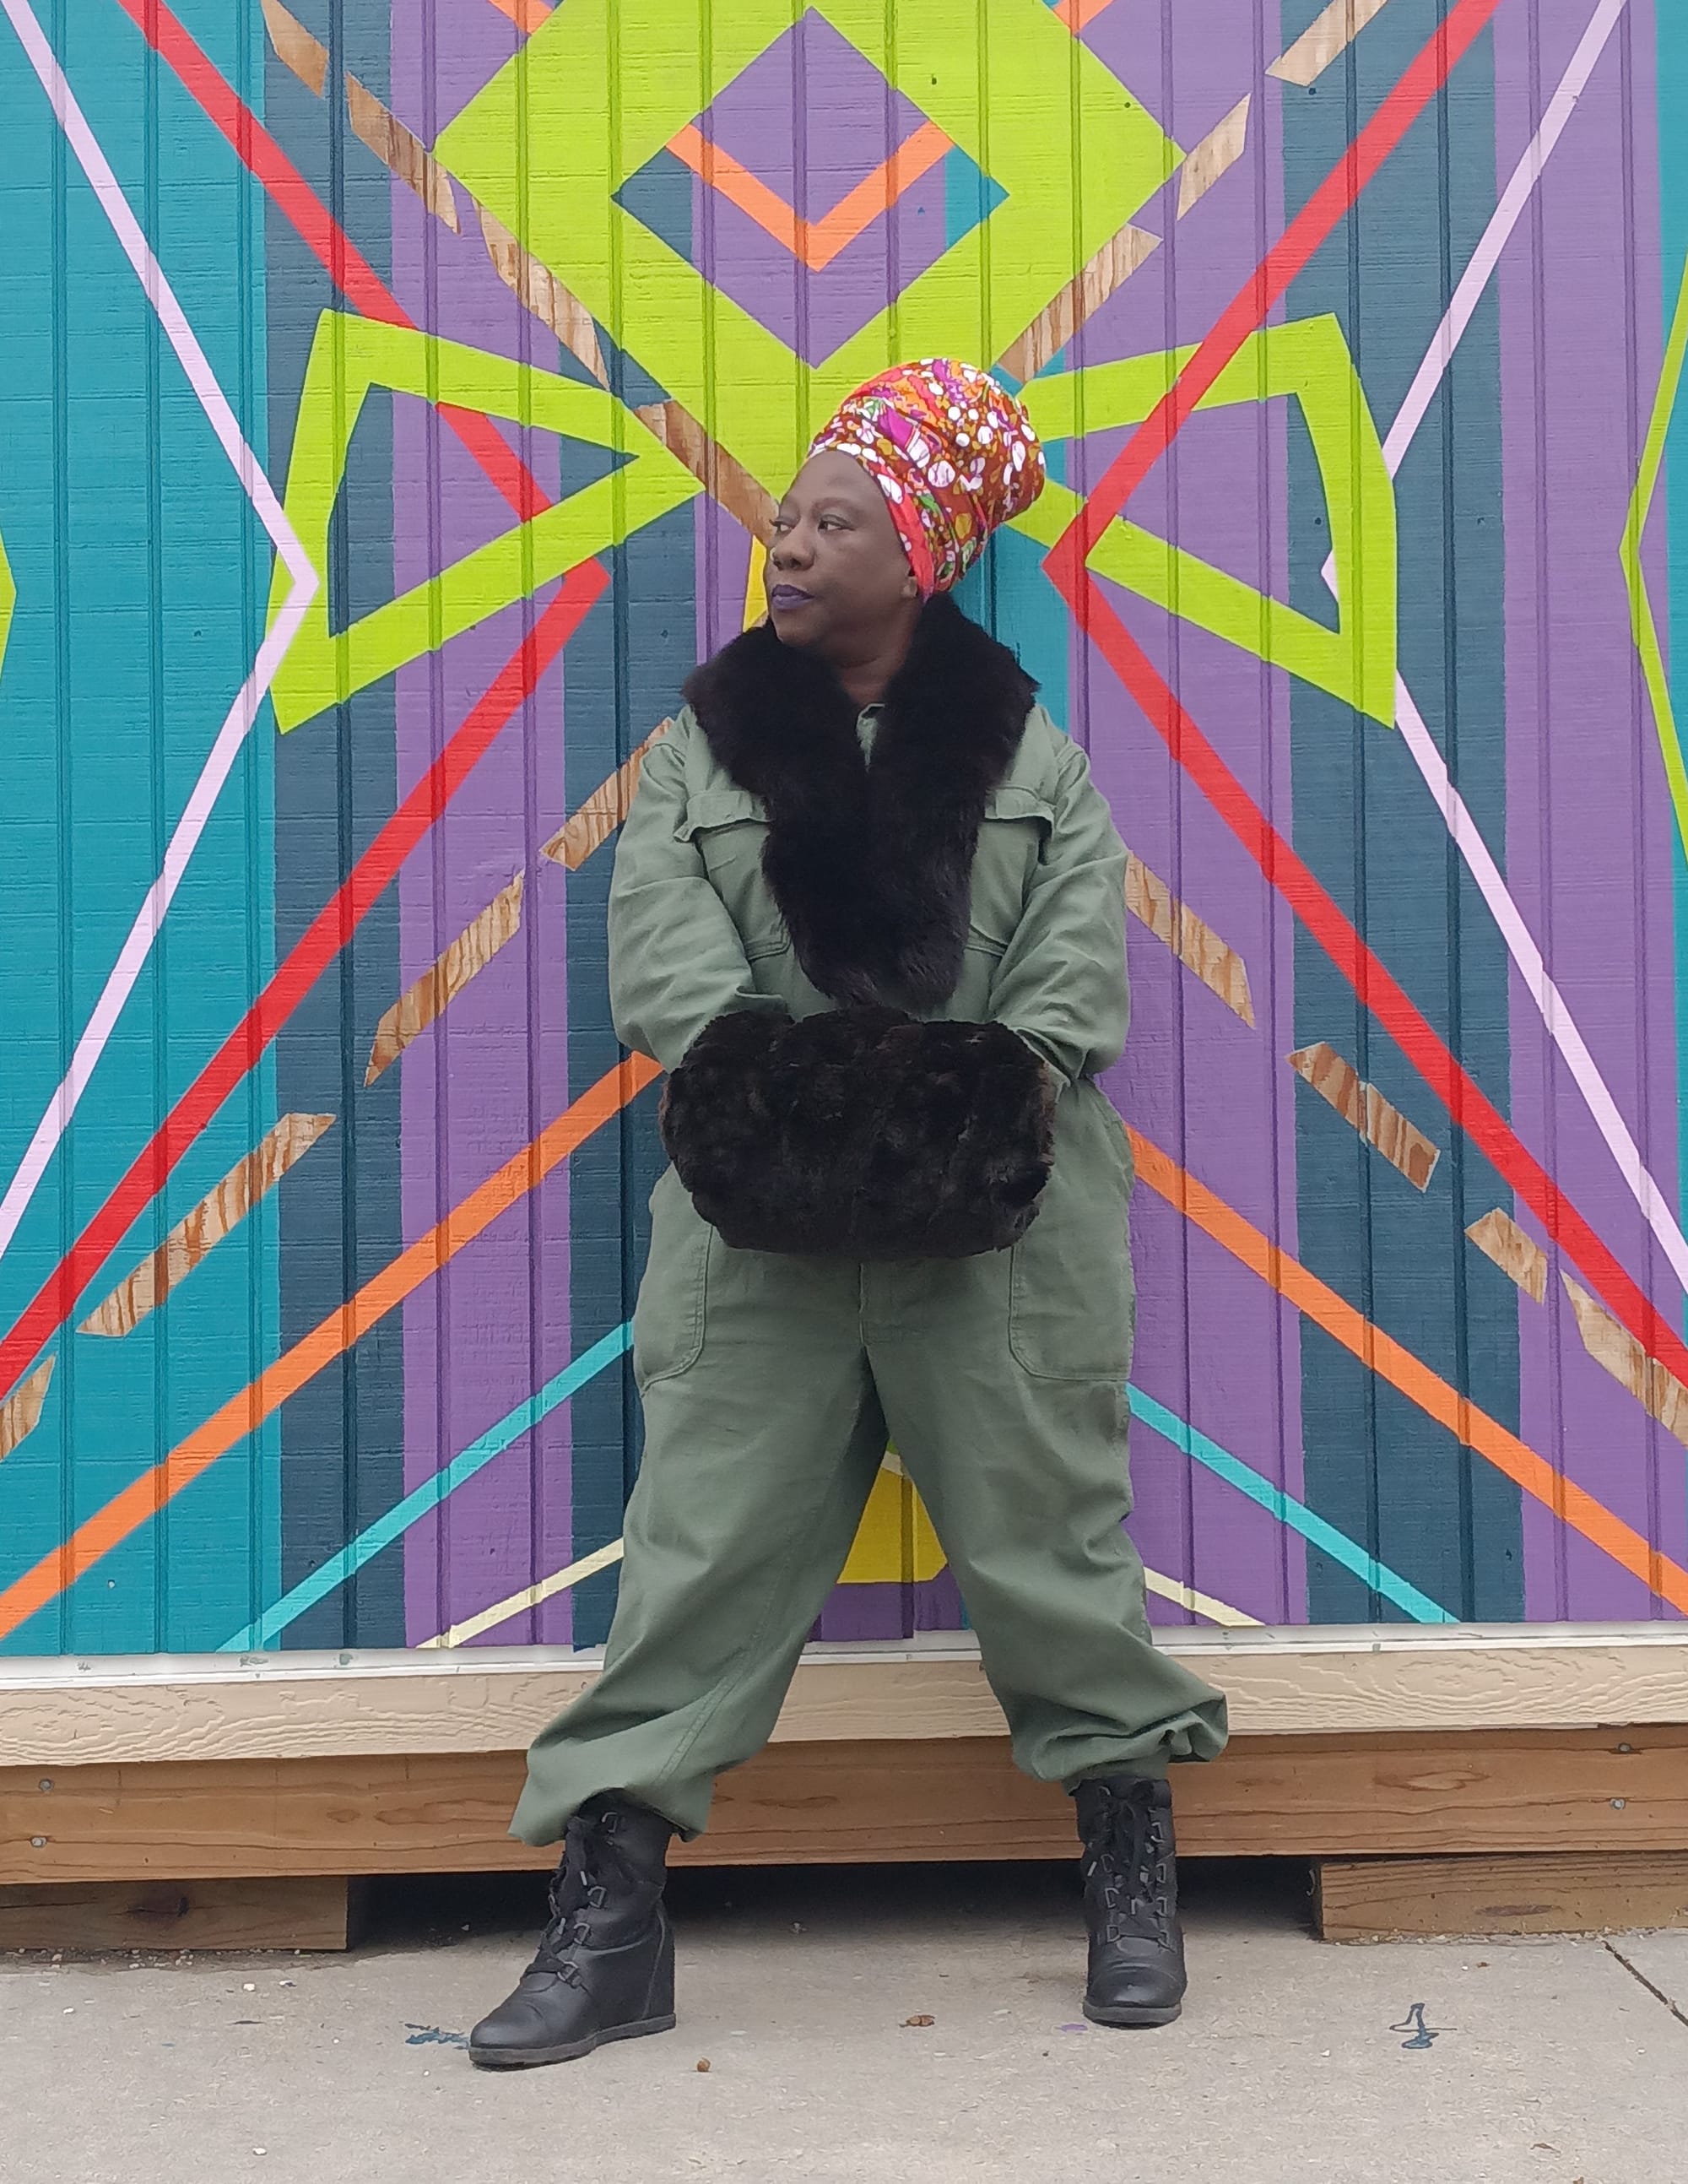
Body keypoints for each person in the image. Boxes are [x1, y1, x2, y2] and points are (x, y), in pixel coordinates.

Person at [468, 359, 1229, 2070]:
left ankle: (1129, 1869)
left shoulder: (1035, 759)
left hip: (1000, 1235)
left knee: (1053, 1555)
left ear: (923, 550)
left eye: (830, 519)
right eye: (785, 515)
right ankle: (609, 1922)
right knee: (696, 1559)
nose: (783, 541)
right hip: (762, 1229)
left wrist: (958, 1122)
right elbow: (662, 944)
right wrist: (782, 1101)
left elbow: (1072, 985)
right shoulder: (700, 746)